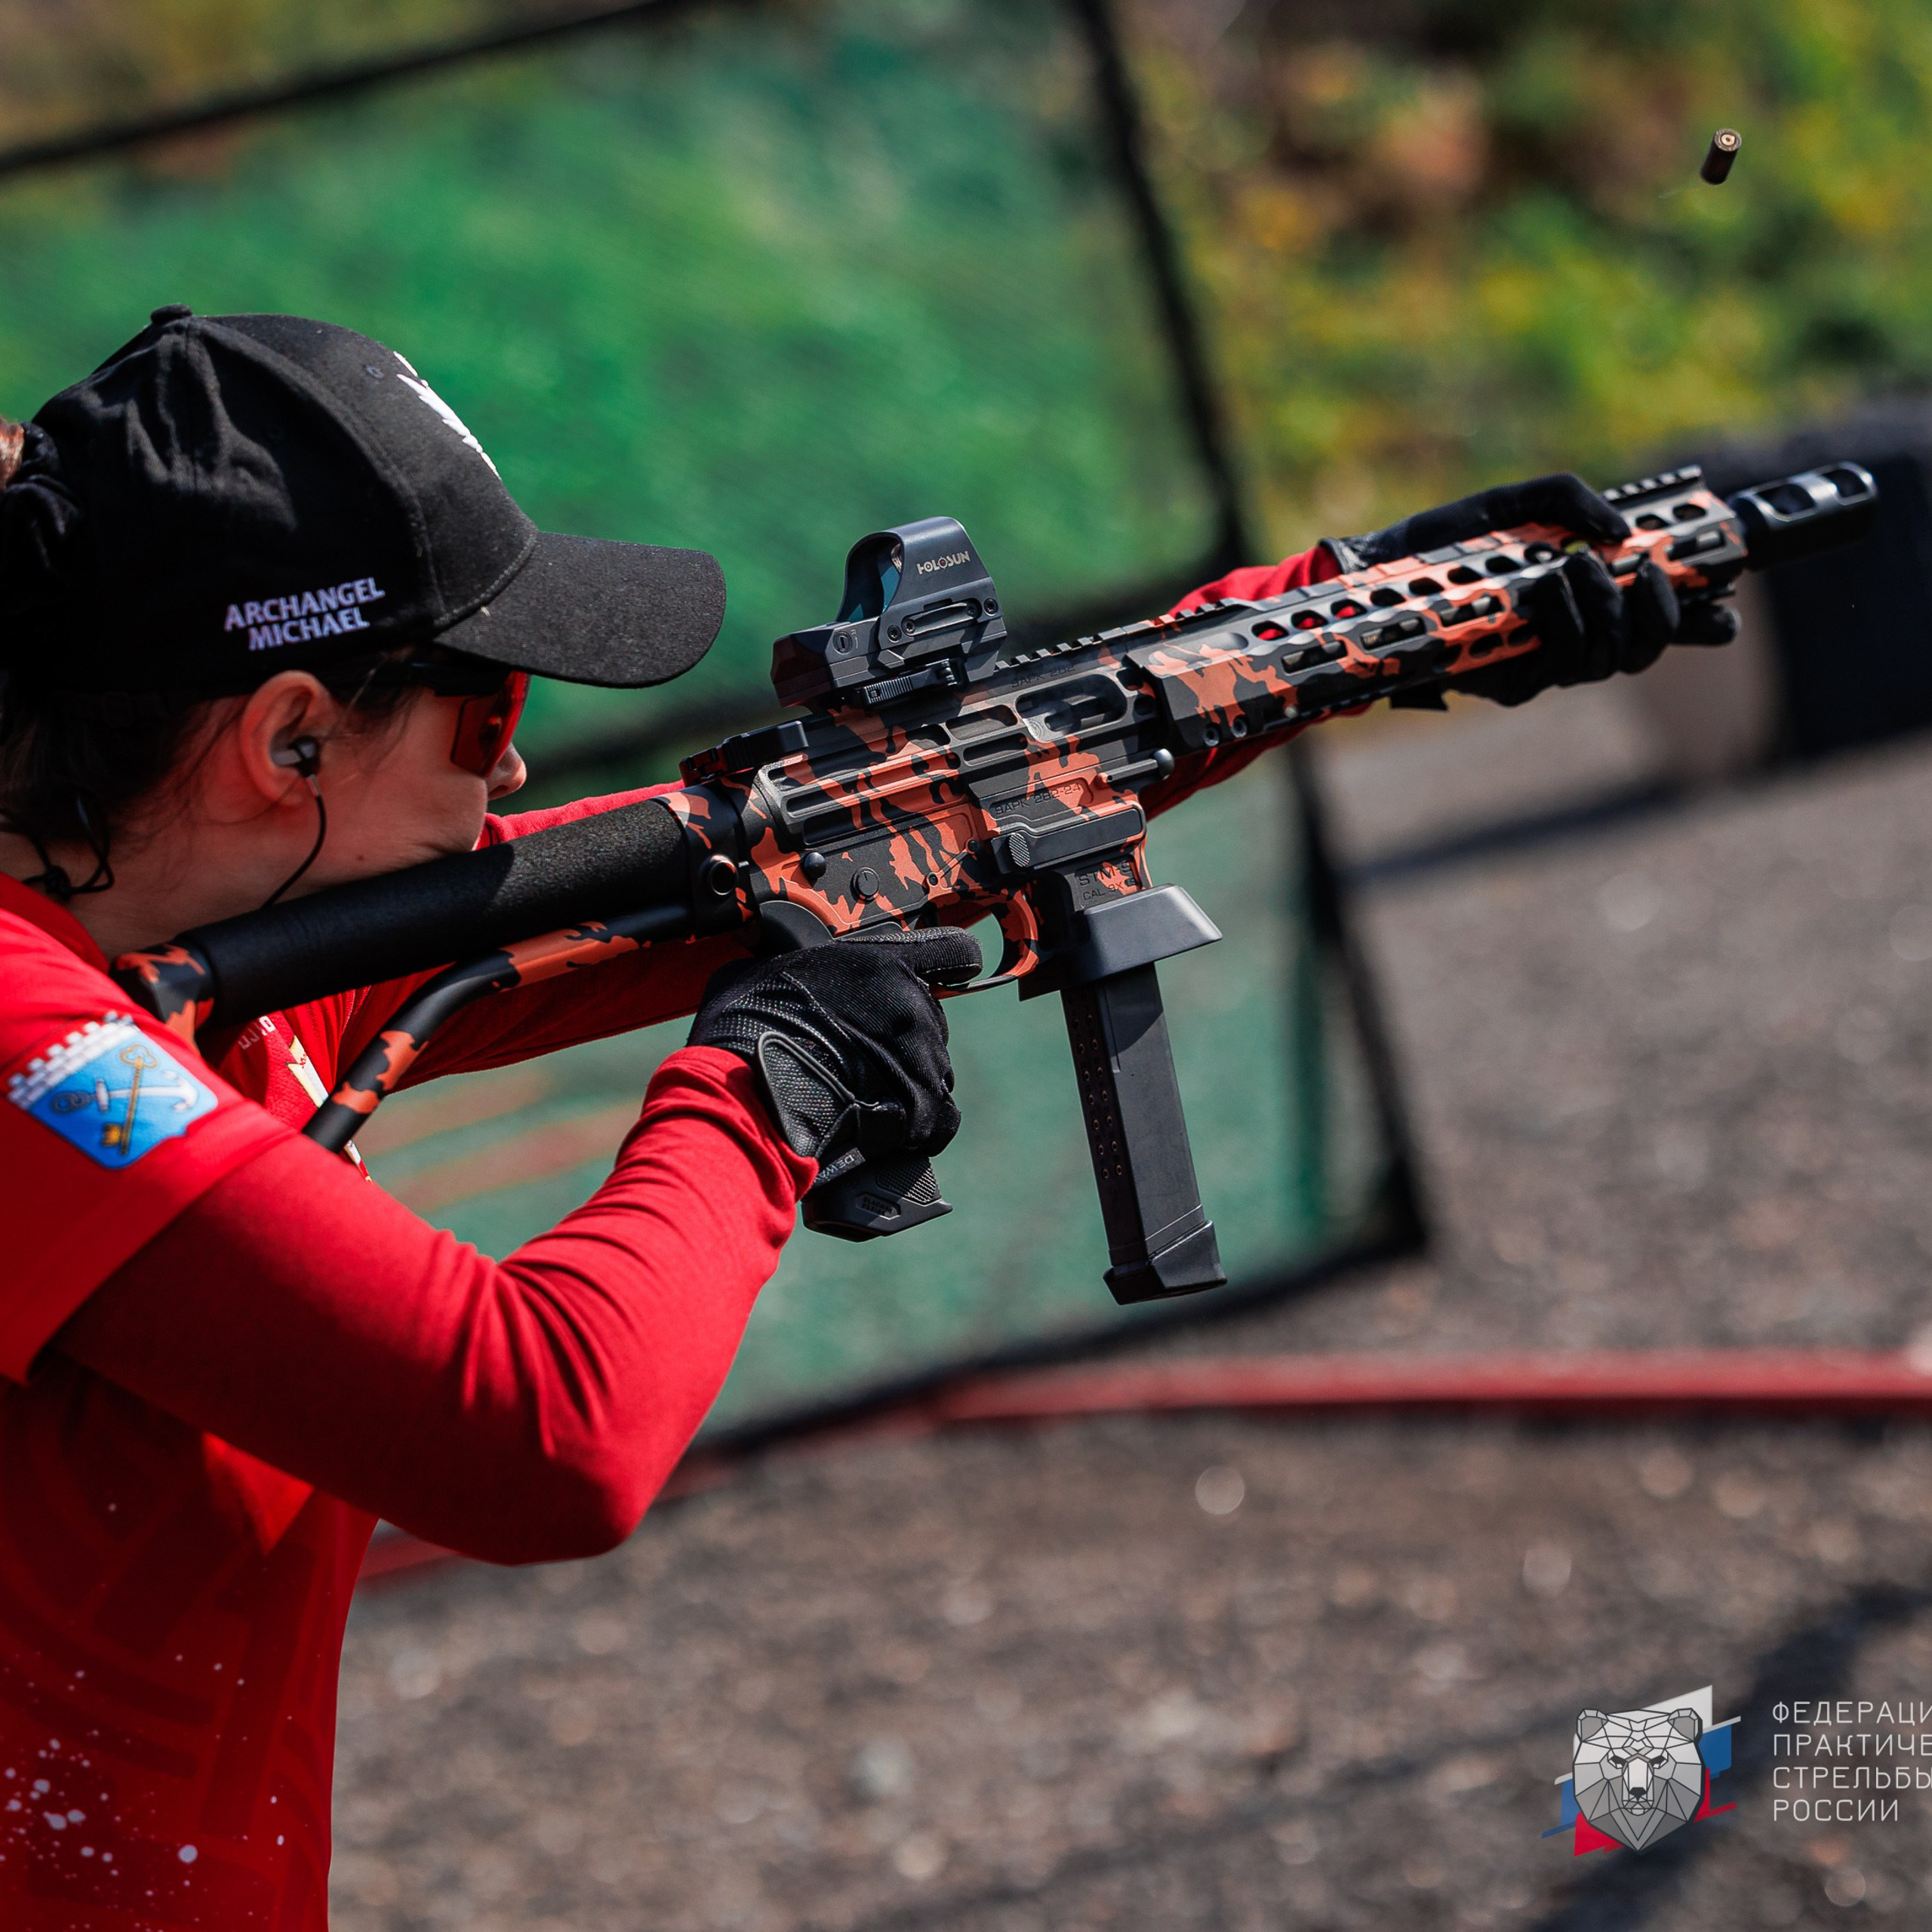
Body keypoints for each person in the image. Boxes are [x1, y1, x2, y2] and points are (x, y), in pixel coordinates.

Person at [0, 307, 1724, 1928]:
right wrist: (770, 1081)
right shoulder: (27, 1034)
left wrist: (1340, 618)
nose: (514, 776)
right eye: (486, 712)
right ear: (290, 738)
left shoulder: (194, 951)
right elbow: (540, 1429)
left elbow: (880, 815)